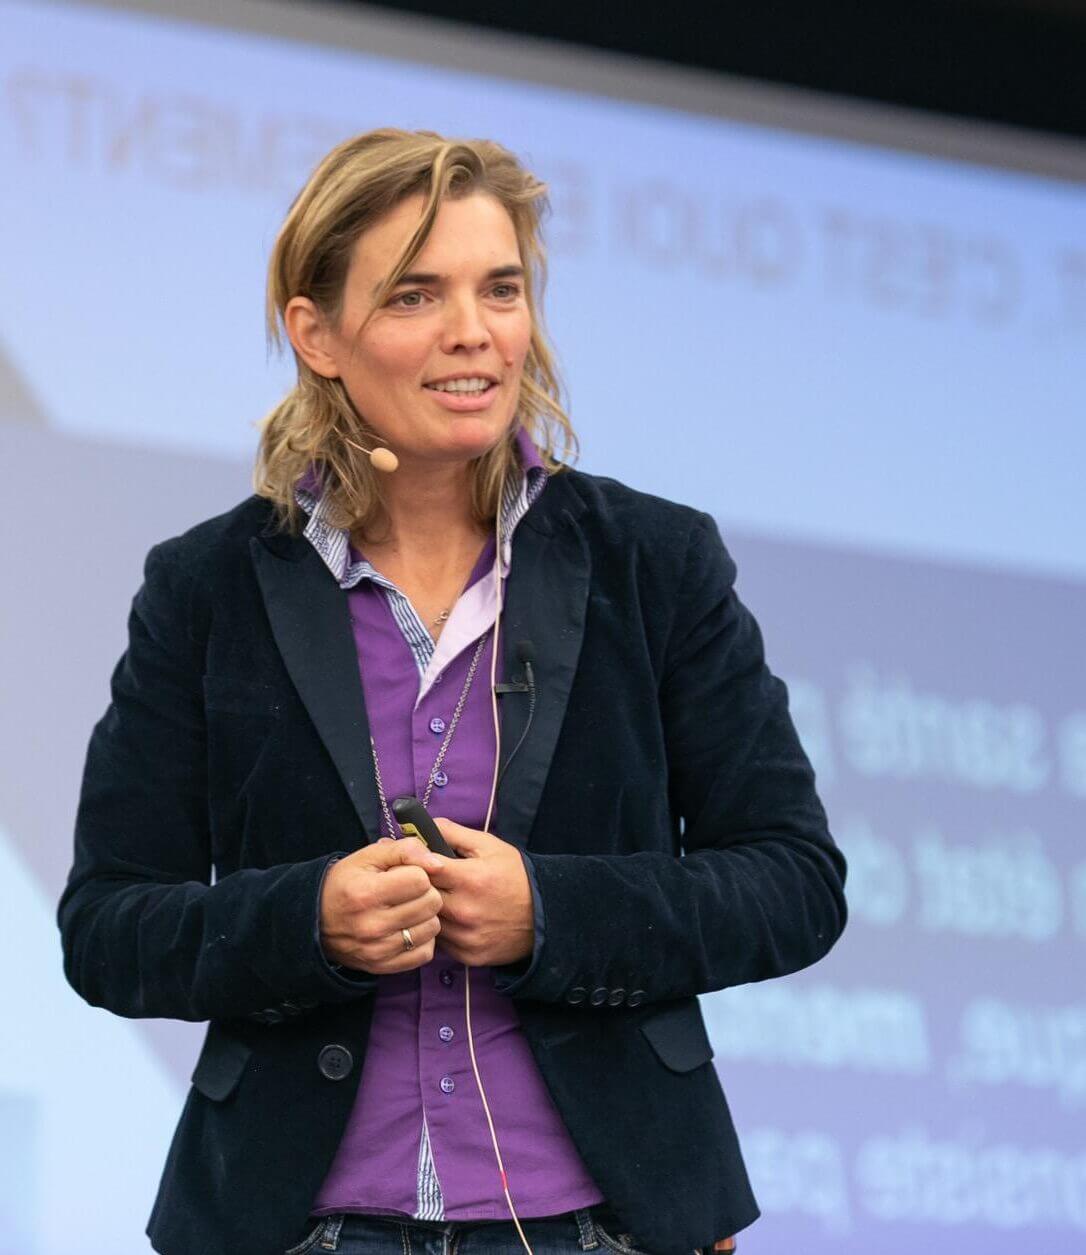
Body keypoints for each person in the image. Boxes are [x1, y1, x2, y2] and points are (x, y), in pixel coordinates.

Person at [58, 128, 847, 1255]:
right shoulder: (207, 588)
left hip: (600, 1223)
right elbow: (109, 926)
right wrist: (307, 920)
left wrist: (551, 912)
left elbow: (794, 881)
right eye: (417, 295)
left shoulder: (654, 562)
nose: (473, 331)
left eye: (501, 288)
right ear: (317, 333)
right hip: (302, 1224)